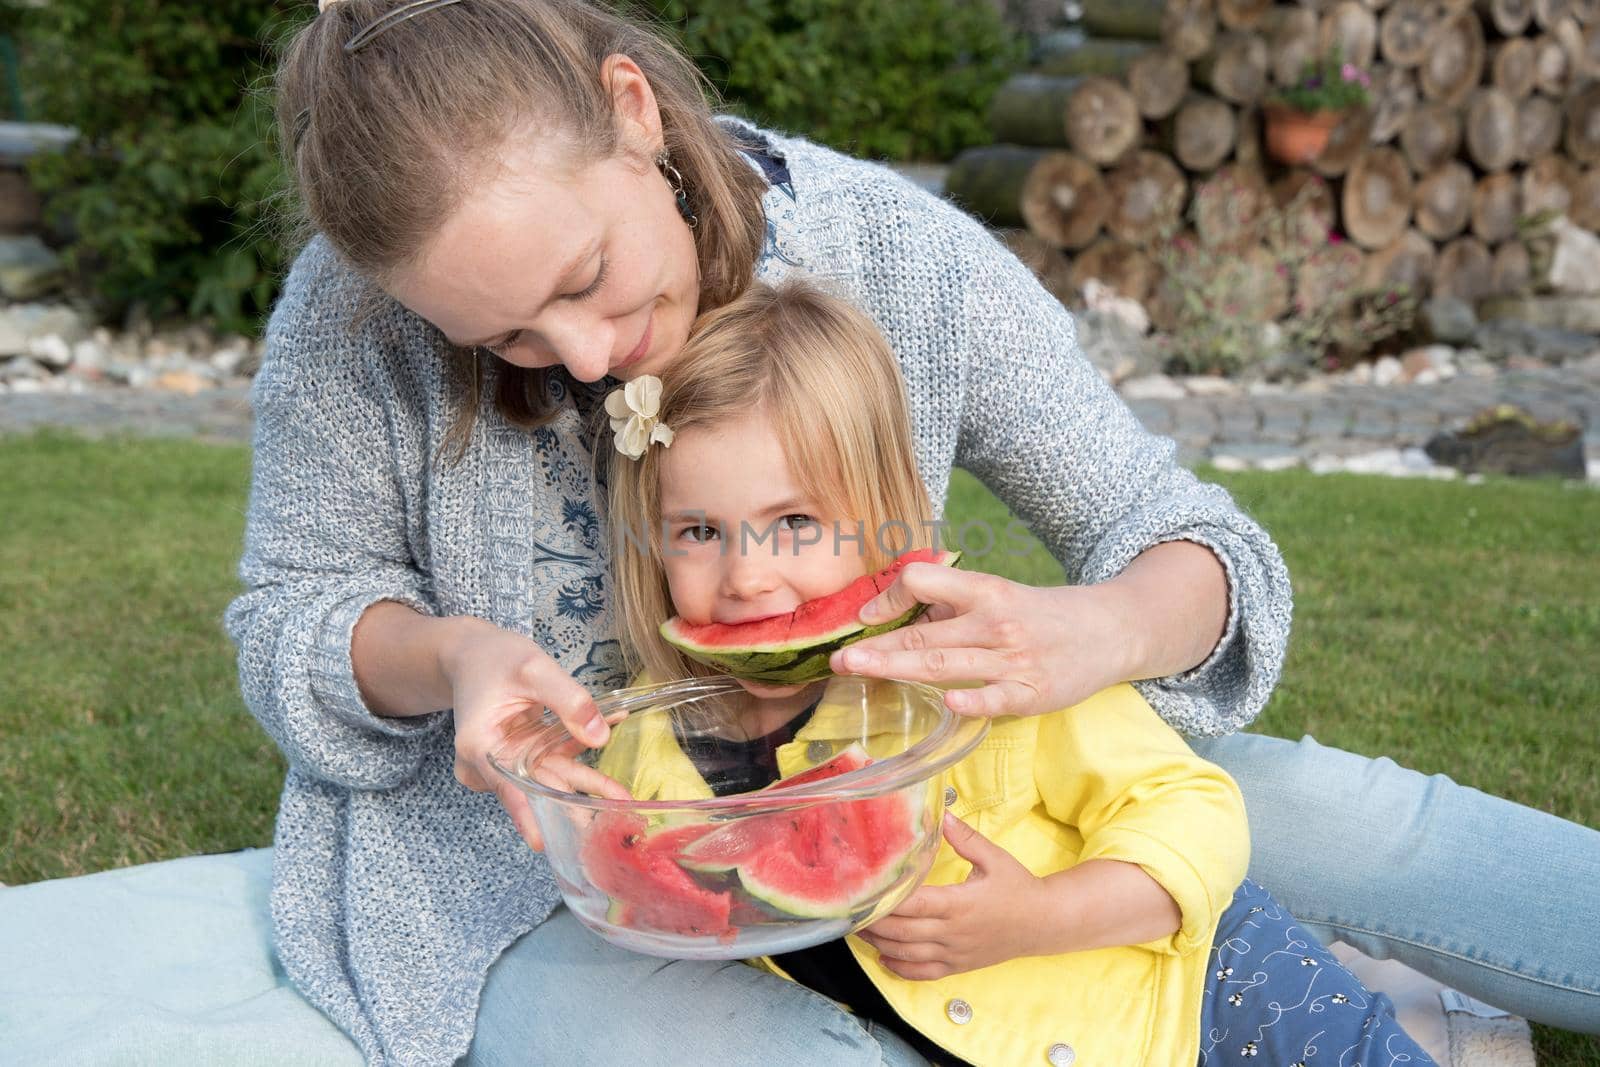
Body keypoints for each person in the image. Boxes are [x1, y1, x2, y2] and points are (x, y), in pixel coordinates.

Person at [234, 0, 1599, 1061]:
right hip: (538, 874)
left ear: (633, 109)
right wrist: (452, 654)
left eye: (587, 277)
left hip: (916, 786)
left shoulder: (897, 254)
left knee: (1346, 818)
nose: (583, 357)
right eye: (507, 336)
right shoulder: (352, 321)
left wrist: (1097, 629)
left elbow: (1190, 538)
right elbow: (295, 616)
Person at [592, 275, 1436, 1066]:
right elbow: (646, 875)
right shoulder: (649, 743)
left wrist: (1038, 918)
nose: (746, 577)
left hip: (1204, 991)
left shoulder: (980, 667)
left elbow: (1199, 815)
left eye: (795, 523)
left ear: (882, 520)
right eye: (699, 531)